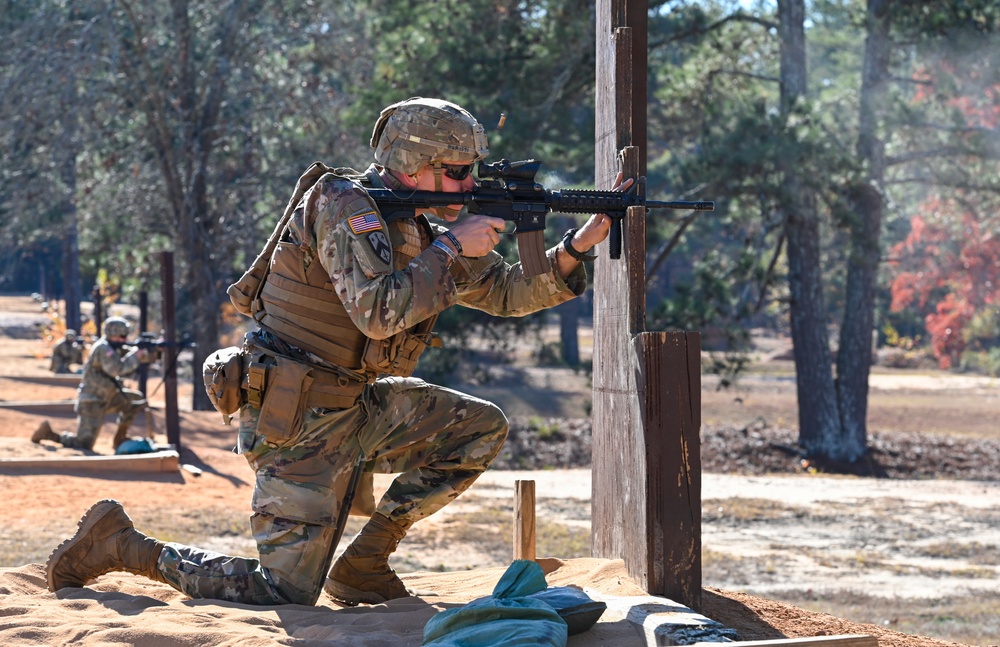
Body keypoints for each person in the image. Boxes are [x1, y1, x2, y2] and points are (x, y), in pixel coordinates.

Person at [45, 97, 631, 608]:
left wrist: (576, 247)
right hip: (295, 416)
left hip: (357, 404)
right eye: (454, 171)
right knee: (285, 593)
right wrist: (454, 245)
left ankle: (364, 564)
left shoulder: (420, 229)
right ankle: (123, 544)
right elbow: (379, 315)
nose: (466, 184)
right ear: (412, 162)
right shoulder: (342, 205)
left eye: (471, 171)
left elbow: (504, 292)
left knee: (478, 427)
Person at [32, 316, 150, 451]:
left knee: (134, 400)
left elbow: (128, 367)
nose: (124, 340)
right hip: (92, 401)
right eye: (122, 336)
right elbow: (117, 369)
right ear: (112, 333)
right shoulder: (103, 348)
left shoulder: (114, 348)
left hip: (108, 397)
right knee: (83, 444)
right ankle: (49, 434)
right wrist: (135, 355)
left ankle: (120, 439)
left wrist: (150, 352)